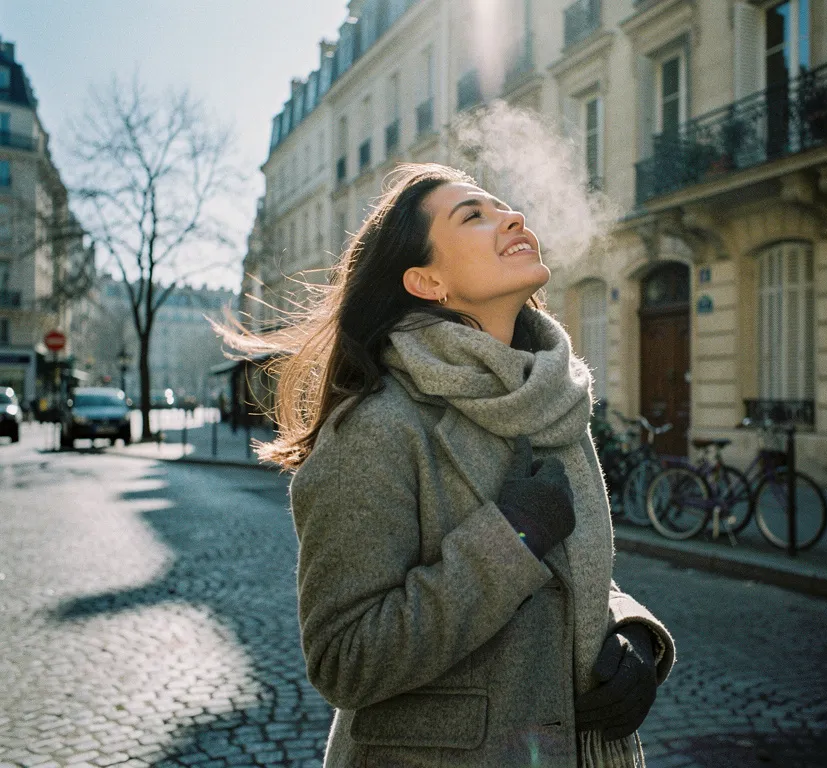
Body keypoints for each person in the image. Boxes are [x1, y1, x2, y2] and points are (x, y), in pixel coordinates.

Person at [237, 163, 675, 767]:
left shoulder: (550, 396)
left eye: (504, 206)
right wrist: (510, 541)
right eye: (474, 215)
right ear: (426, 280)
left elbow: (570, 573)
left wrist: (631, 633)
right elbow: (345, 657)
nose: (513, 217)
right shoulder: (374, 427)